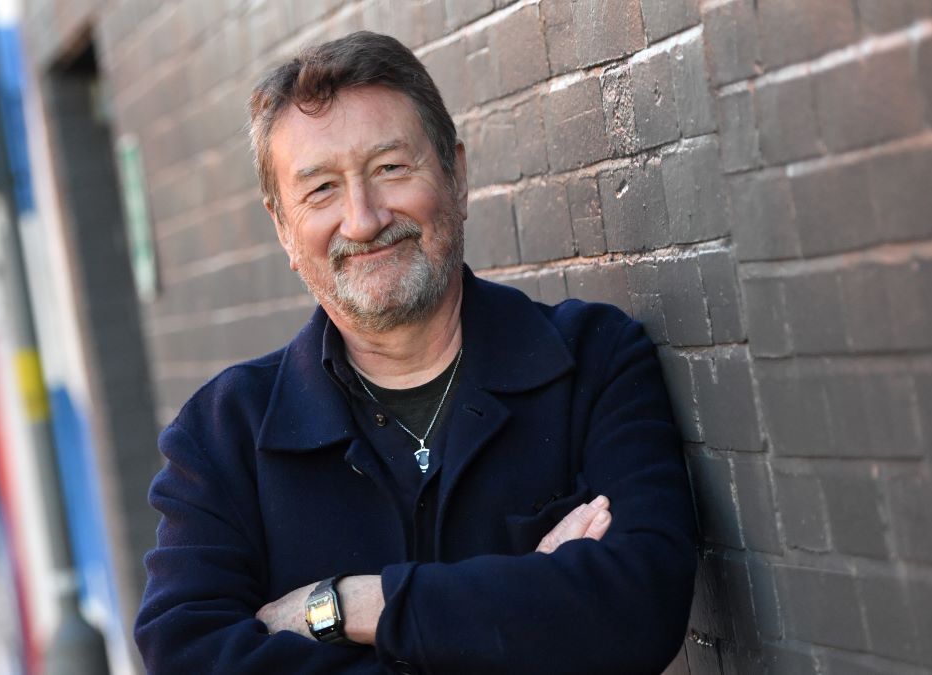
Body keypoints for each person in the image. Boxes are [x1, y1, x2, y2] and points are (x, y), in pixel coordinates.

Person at [135, 31, 697, 674]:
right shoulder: (221, 436)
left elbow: (636, 611)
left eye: (390, 169)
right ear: (284, 230)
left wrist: (352, 606)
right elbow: (186, 657)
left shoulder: (594, 361)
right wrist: (526, 603)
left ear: (456, 177)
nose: (364, 218)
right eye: (320, 190)